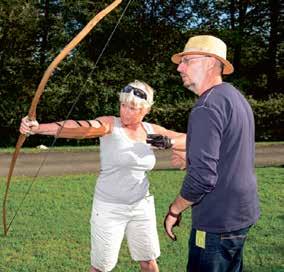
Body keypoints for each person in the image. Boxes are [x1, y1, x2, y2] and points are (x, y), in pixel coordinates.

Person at [20, 80, 185, 272]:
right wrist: (38, 128)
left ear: (145, 110)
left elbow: (190, 139)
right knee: (100, 267)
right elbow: (79, 127)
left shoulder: (151, 131)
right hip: (109, 208)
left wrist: (169, 142)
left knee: (148, 262)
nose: (125, 111)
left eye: (132, 107)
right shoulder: (109, 125)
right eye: (123, 105)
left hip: (141, 205)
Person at [162, 35, 260, 271]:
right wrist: (190, 159)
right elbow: (228, 153)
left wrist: (174, 210)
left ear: (209, 62)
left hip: (217, 221)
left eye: (187, 60)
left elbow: (203, 178)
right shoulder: (234, 97)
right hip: (241, 215)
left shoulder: (206, 107)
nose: (179, 67)